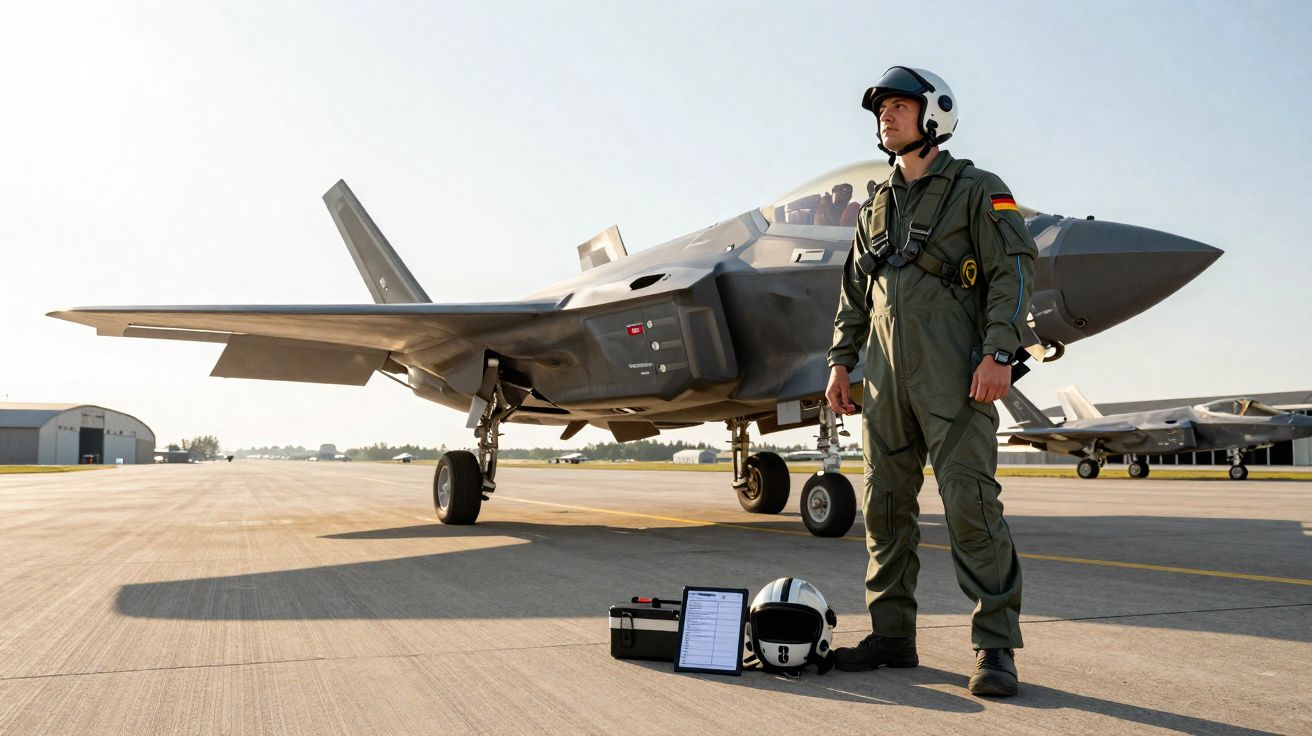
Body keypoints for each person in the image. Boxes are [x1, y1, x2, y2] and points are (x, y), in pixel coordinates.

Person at [824, 66, 1037, 697]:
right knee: (885, 509)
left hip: (956, 375)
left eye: (898, 106)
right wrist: (841, 360)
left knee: (970, 507)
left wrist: (1000, 352)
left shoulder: (979, 189)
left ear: (933, 114)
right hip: (886, 381)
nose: (886, 117)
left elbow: (1013, 270)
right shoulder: (875, 206)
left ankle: (995, 648)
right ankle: (893, 635)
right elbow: (855, 292)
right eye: (881, 110)